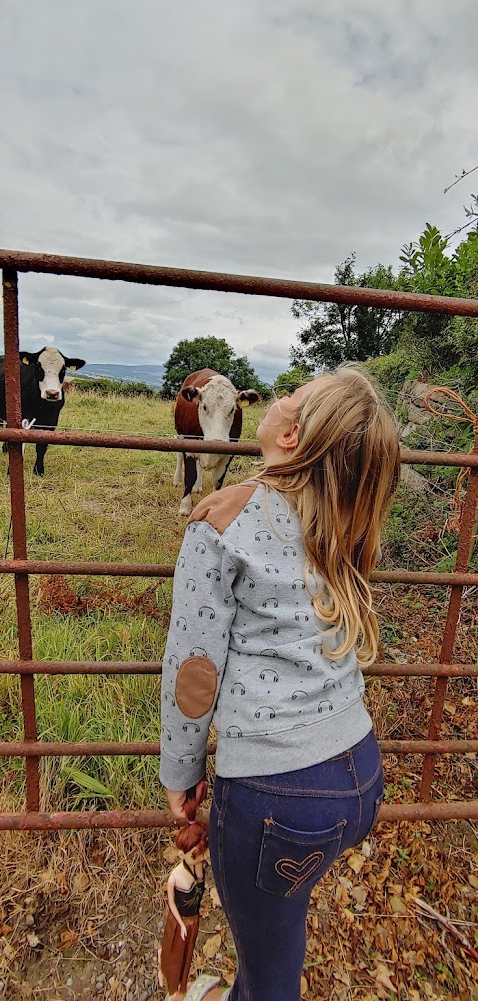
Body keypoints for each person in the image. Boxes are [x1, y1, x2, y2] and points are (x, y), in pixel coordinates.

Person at [159, 367, 401, 1001]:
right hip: (360, 773)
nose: (277, 394)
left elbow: (195, 673)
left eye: (294, 394)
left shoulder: (221, 520)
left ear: (291, 434)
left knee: (269, 979)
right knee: (281, 922)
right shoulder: (341, 518)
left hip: (279, 799)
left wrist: (180, 778)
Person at [158, 792, 209, 999]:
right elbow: (171, 902)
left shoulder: (201, 868)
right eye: (195, 854)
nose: (200, 857)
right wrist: (179, 923)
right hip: (180, 920)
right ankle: (169, 979)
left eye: (202, 852)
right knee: (174, 953)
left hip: (193, 919)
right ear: (182, 855)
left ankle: (181, 986)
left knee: (187, 956)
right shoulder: (176, 877)